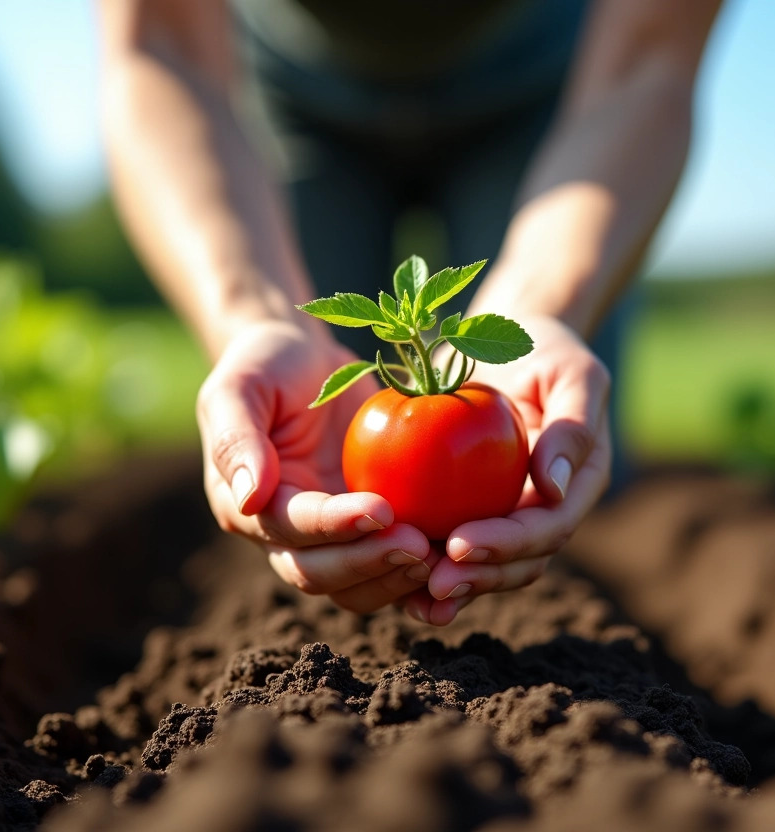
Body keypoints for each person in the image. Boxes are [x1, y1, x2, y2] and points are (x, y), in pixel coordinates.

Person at [95, 0, 721, 625]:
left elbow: (650, 58)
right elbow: (162, 46)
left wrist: (541, 307)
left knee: (567, 452)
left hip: (553, 87)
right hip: (296, 91)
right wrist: (258, 317)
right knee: (305, 441)